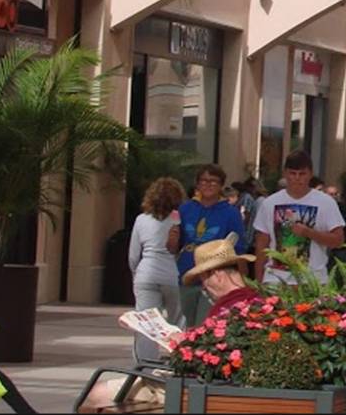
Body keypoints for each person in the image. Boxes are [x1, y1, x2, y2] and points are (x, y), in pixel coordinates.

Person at [79, 236, 260, 415]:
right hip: (226, 388)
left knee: (97, 393)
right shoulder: (258, 303)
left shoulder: (227, 309)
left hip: (203, 389)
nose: (204, 287)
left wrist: (181, 344)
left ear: (217, 275)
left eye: (203, 279)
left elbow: (209, 359)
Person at [167, 164, 246, 326]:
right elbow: (173, 248)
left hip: (214, 277)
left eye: (213, 182)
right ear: (197, 184)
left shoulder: (230, 213)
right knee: (184, 325)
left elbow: (237, 249)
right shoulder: (186, 209)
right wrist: (172, 238)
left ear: (221, 185)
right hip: (187, 274)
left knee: (206, 324)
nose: (208, 185)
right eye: (204, 181)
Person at [253, 150, 346, 285]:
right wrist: (259, 281)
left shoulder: (326, 203)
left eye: (302, 174)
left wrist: (309, 232)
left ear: (310, 174)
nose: (297, 178)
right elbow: (262, 245)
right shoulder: (270, 203)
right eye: (292, 173)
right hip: (275, 280)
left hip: (313, 281)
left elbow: (338, 241)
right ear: (285, 173)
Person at [128, 177, 185, 362]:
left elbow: (133, 255)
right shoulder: (177, 220)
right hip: (170, 275)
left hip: (146, 273)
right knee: (178, 320)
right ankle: (179, 359)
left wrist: (136, 273)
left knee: (146, 323)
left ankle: (145, 365)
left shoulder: (141, 220)